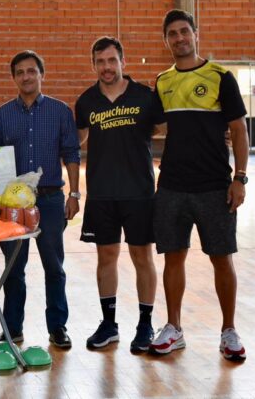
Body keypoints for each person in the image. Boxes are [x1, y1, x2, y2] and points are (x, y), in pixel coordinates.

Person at [149, 9, 249, 362]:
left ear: (196, 34)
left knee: (222, 259)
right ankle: (174, 328)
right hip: (173, 186)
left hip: (214, 187)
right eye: (172, 34)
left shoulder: (221, 77)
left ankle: (229, 331)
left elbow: (238, 129)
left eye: (183, 32)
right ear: (166, 41)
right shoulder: (162, 82)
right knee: (173, 258)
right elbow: (153, 126)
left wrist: (239, 178)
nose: (179, 38)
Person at [0, 50, 81, 349]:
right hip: (11, 207)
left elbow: (72, 155)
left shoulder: (60, 111)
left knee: (54, 266)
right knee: (14, 267)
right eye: (20, 72)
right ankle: (13, 330)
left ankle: (58, 327)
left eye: (31, 71)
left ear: (42, 74)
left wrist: (75, 193)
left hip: (50, 200)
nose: (26, 76)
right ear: (14, 78)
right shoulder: (1, 115)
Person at [74, 37, 161, 352]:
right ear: (94, 64)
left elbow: (169, 131)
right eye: (100, 62)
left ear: (123, 62)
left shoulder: (146, 98)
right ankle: (109, 324)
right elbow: (77, 141)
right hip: (101, 194)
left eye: (111, 61)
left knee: (142, 257)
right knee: (105, 258)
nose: (106, 67)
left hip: (139, 192)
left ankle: (145, 324)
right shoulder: (86, 102)